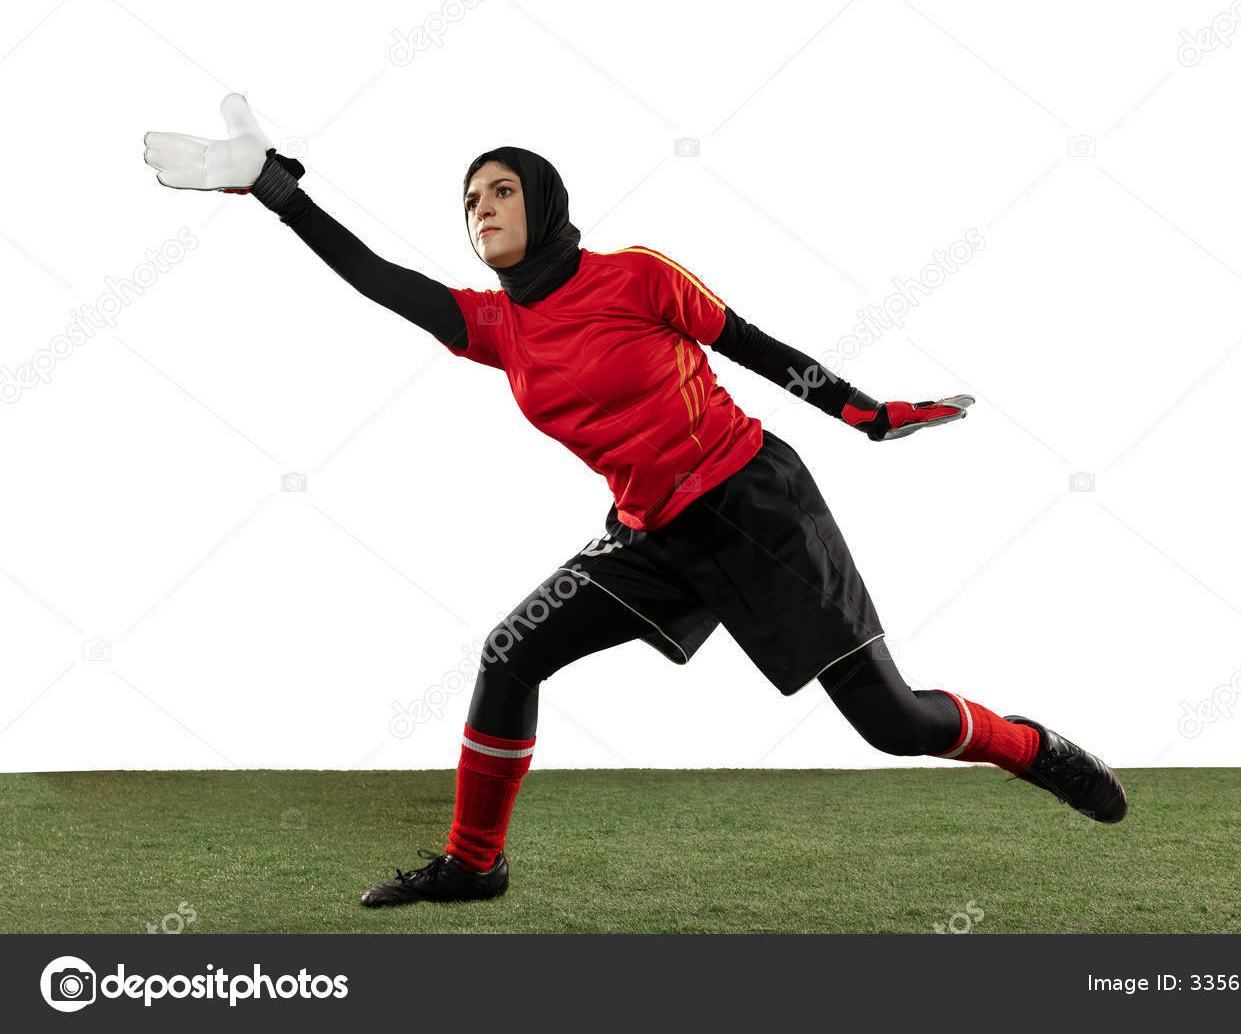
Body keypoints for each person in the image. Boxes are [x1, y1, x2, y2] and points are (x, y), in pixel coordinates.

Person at [143, 94, 1127, 909]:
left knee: (891, 721)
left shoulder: (635, 277)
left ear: (546, 202)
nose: (480, 208)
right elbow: (374, 276)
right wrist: (273, 190)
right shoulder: (494, 327)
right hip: (649, 537)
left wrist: (866, 413)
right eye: (467, 199)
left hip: (755, 509)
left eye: (500, 190)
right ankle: (474, 865)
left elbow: (751, 345)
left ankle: (1031, 748)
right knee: (507, 653)